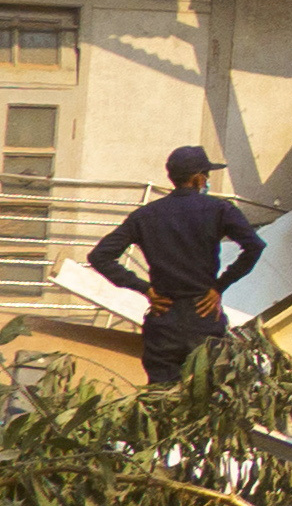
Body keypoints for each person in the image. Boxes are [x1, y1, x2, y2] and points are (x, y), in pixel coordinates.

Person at [90, 146, 260, 383]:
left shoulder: (145, 215)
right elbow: (254, 246)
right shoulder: (219, 210)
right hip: (203, 314)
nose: (206, 181)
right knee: (206, 398)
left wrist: (144, 288)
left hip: (164, 318)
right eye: (206, 176)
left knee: (161, 399)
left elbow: (99, 256)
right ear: (198, 178)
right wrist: (219, 287)